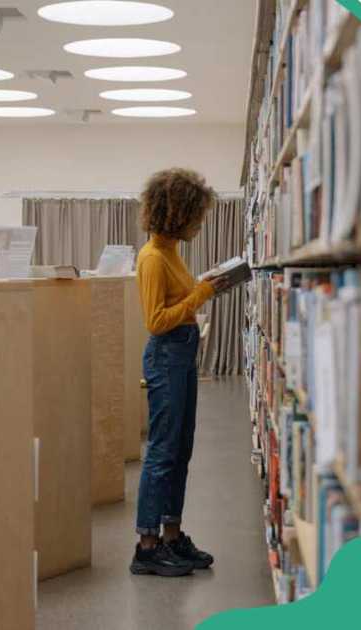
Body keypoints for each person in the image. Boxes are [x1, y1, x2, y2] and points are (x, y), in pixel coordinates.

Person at [130, 168, 227, 578]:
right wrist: (202, 294)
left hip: (182, 356)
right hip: (167, 356)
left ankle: (172, 536)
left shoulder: (170, 250)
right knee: (162, 452)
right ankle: (148, 546)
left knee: (180, 450)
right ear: (178, 213)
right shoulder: (152, 257)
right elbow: (156, 320)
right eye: (197, 216)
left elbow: (178, 298)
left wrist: (200, 286)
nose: (201, 224)